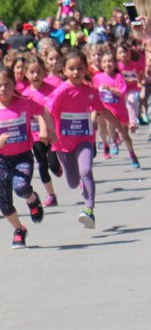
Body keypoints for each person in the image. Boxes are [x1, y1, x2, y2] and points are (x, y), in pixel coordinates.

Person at [46, 50, 129, 229]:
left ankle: (89, 209)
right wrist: (47, 131)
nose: (76, 72)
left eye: (80, 68)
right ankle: (82, 186)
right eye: (71, 68)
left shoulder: (90, 91)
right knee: (73, 181)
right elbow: (47, 112)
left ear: (86, 69)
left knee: (86, 170)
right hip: (63, 143)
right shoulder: (61, 91)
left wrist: (120, 127)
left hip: (85, 138)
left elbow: (103, 110)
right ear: (64, 70)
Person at [0, 65, 52, 248]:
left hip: (23, 157)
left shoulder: (24, 103)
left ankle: (33, 200)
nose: (3, 89)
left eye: (6, 84)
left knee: (21, 186)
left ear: (14, 84)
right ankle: (19, 229)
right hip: (3, 161)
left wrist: (47, 130)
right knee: (4, 202)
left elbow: (43, 111)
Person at [21, 53, 60, 207]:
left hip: (54, 134)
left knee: (53, 164)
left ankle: (59, 168)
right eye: (32, 72)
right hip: (36, 135)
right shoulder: (25, 95)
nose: (35, 75)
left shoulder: (53, 90)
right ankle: (51, 195)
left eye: (39, 72)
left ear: (45, 72)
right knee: (42, 164)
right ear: (26, 74)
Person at [93, 49, 139, 167]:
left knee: (126, 136)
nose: (107, 64)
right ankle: (110, 143)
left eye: (110, 61)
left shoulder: (118, 77)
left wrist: (110, 89)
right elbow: (92, 91)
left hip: (119, 110)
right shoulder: (97, 77)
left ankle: (132, 154)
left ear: (115, 63)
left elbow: (122, 92)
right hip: (104, 109)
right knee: (106, 124)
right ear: (101, 64)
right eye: (104, 62)